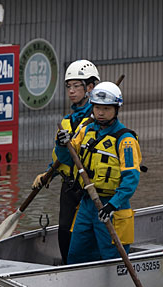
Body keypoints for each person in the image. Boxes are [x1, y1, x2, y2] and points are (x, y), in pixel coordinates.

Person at [54, 81, 141, 264]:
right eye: (97, 108)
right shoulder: (85, 131)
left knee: (113, 258)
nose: (100, 113)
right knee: (77, 255)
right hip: (87, 204)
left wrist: (112, 205)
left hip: (111, 207)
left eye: (106, 109)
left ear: (116, 109)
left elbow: (131, 179)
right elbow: (67, 159)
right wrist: (62, 144)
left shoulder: (125, 140)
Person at [32, 60, 100, 264]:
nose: (71, 91)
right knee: (64, 232)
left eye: (76, 86)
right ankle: (68, 267)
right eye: (68, 86)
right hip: (70, 186)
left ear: (90, 87)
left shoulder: (99, 116)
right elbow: (60, 158)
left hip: (90, 184)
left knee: (87, 231)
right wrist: (47, 174)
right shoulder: (66, 122)